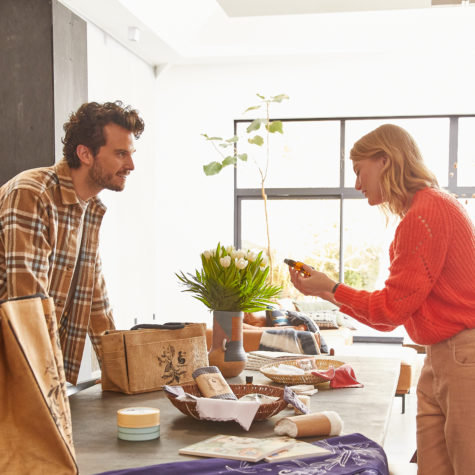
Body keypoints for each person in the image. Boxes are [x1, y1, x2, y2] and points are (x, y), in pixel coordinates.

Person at [289, 123, 475, 475]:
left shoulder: (426, 213)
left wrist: (329, 289)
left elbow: (389, 311)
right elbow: (394, 311)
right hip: (443, 355)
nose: (357, 184)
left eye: (360, 171)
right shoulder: (429, 207)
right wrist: (327, 289)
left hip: (461, 356)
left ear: (385, 161)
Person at [0, 101, 145, 385]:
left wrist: (125, 380)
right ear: (85, 153)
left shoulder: (89, 209)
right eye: (120, 154)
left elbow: (96, 305)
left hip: (41, 379)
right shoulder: (32, 194)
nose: (131, 165)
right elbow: (26, 304)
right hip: (11, 380)